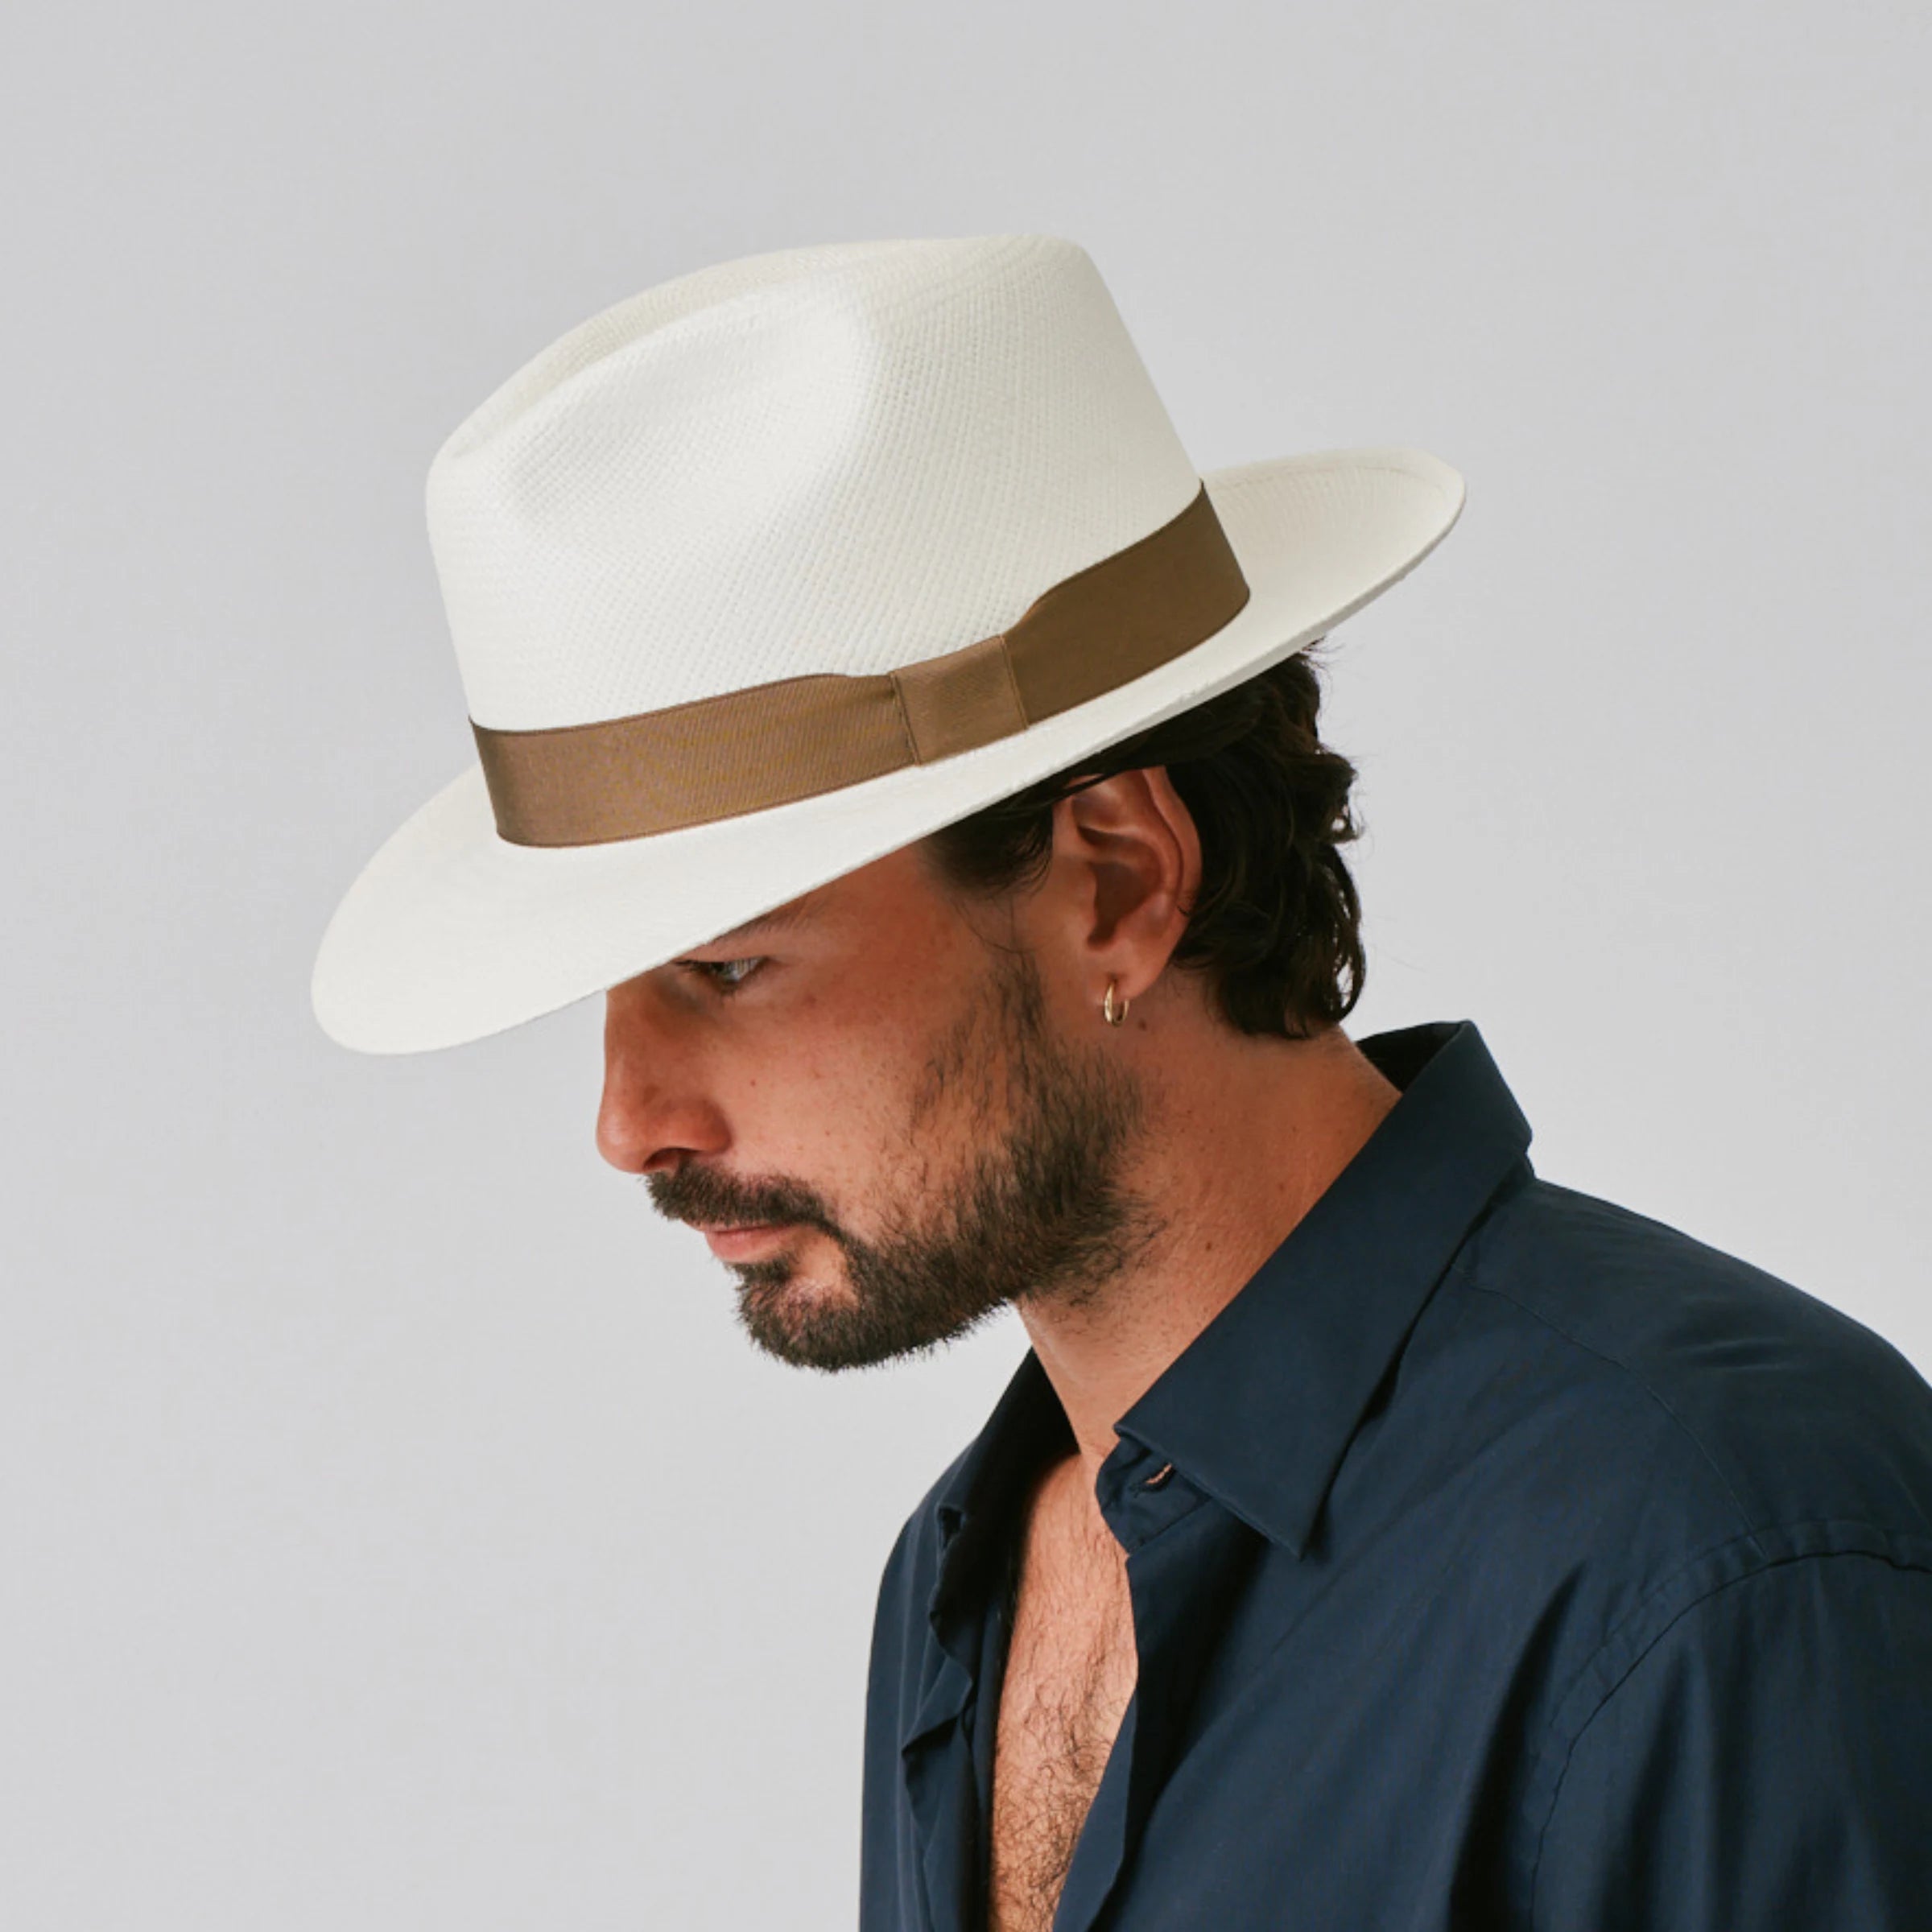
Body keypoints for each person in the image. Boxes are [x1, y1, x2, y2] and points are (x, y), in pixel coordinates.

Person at [313, 236, 1932, 1930]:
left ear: (1115, 882)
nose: (630, 1119)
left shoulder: (1722, 1544)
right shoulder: (963, 1581)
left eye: (726, 968)